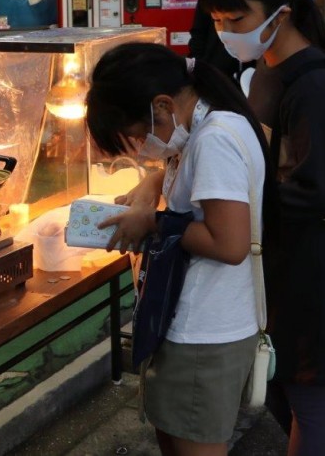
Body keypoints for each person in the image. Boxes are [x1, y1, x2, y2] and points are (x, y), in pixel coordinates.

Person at [200, 0, 325, 456]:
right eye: (218, 20)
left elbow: (317, 192)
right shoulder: (270, 71)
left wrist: (234, 206)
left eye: (236, 18)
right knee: (282, 386)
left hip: (314, 267)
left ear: (281, 12)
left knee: (311, 401)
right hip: (285, 260)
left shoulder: (314, 84)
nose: (227, 32)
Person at [86, 43, 270, 456]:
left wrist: (153, 222)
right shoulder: (203, 128)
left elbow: (230, 243)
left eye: (136, 135)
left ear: (163, 105)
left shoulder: (213, 140)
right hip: (199, 326)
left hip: (203, 333)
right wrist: (152, 185)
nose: (140, 146)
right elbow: (194, 186)